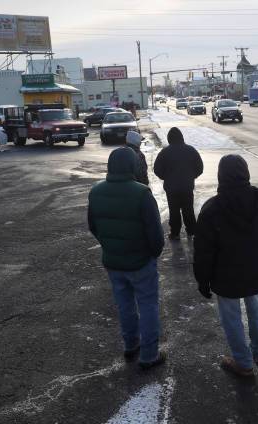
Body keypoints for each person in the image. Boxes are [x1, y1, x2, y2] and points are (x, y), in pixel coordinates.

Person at [193, 154, 258, 377]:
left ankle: (243, 362)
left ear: (221, 175)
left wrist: (203, 279)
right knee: (257, 310)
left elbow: (204, 250)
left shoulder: (212, 209)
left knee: (231, 318)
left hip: (226, 274)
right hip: (255, 269)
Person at [88, 147, 166, 370]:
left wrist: (110, 245)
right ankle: (149, 355)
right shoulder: (141, 193)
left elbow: (93, 226)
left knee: (124, 305)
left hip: (113, 261)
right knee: (148, 305)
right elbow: (155, 234)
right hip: (141, 262)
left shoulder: (96, 191)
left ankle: (131, 345)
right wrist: (153, 253)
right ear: (133, 166)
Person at [154, 127, 203, 240]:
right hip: (187, 187)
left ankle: (175, 233)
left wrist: (166, 177)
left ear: (169, 139)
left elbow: (157, 169)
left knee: (174, 210)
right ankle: (191, 230)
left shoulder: (165, 152)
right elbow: (200, 167)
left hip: (171, 188)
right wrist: (191, 176)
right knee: (188, 209)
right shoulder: (191, 150)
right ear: (181, 137)